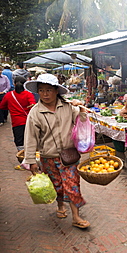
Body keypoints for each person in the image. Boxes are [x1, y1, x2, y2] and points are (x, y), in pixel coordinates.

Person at [23, 73, 90, 229]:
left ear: (56, 91)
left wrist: (80, 109)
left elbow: (82, 122)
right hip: (48, 156)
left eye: (48, 90)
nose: (45, 94)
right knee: (57, 185)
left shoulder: (67, 106)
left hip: (69, 155)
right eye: (41, 90)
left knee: (72, 185)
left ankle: (76, 217)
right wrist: (31, 160)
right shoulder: (35, 112)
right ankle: (60, 206)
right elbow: (30, 138)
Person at [0, 76, 36, 151]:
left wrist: (11, 107)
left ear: (14, 84)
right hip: (29, 121)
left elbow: (2, 106)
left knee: (19, 143)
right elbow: (32, 104)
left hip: (17, 122)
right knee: (31, 141)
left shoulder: (9, 95)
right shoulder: (28, 94)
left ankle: (22, 158)